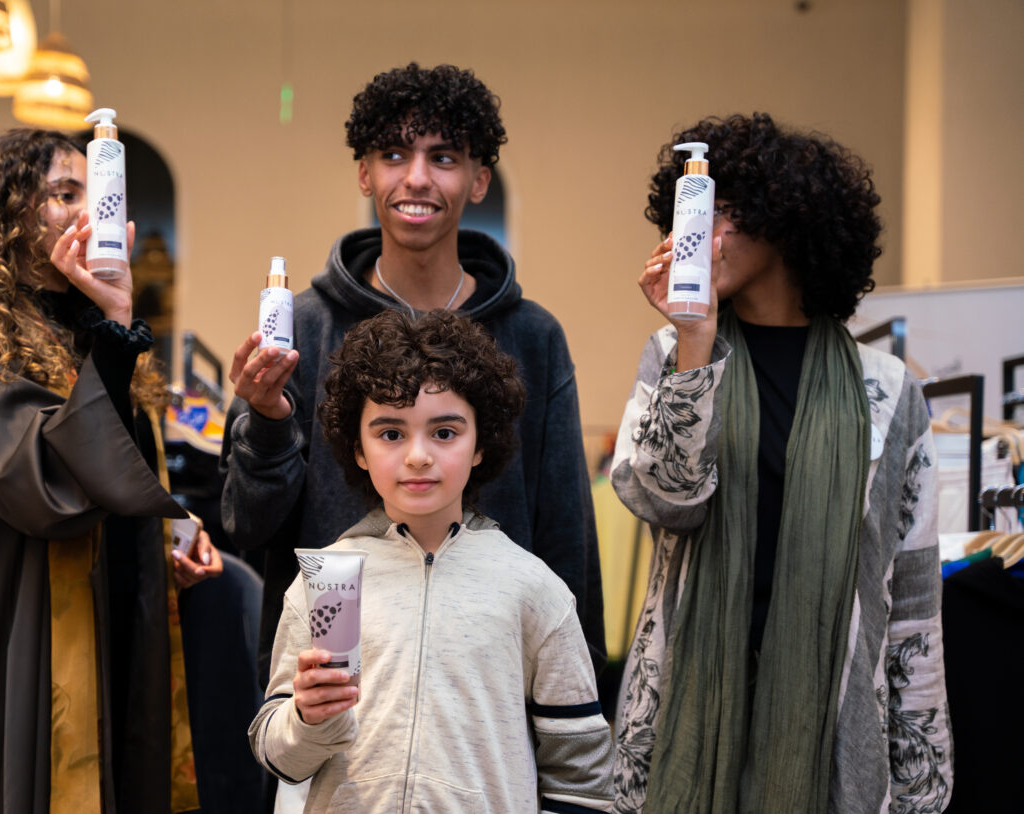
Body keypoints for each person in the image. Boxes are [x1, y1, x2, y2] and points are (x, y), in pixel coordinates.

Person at [609, 113, 953, 814]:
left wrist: (922, 785)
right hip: (687, 715)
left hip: (835, 727)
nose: (705, 234)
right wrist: (694, 338)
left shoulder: (888, 390)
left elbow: (914, 601)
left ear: (787, 217)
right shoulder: (673, 356)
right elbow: (664, 499)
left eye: (724, 211)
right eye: (691, 214)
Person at [222, 62, 606, 684]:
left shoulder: (532, 337)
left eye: (444, 157)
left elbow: (567, 537)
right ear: (365, 173)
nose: (417, 178)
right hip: (336, 677)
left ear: (479, 180)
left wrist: (576, 687)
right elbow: (247, 525)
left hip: (488, 681)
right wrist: (266, 423)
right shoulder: (302, 328)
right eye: (395, 154)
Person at [0, 129, 221, 814]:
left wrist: (167, 535)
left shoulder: (85, 330)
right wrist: (116, 332)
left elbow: (113, 464)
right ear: (6, 216)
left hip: (113, 615)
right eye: (65, 194)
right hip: (20, 638)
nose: (89, 211)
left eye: (95, 194)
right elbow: (46, 486)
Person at [249, 309, 615, 812]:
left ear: (480, 443)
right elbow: (279, 759)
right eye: (391, 433)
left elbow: (581, 776)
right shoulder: (324, 583)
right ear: (359, 449)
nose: (418, 456)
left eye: (444, 433)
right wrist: (306, 720)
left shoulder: (534, 590)